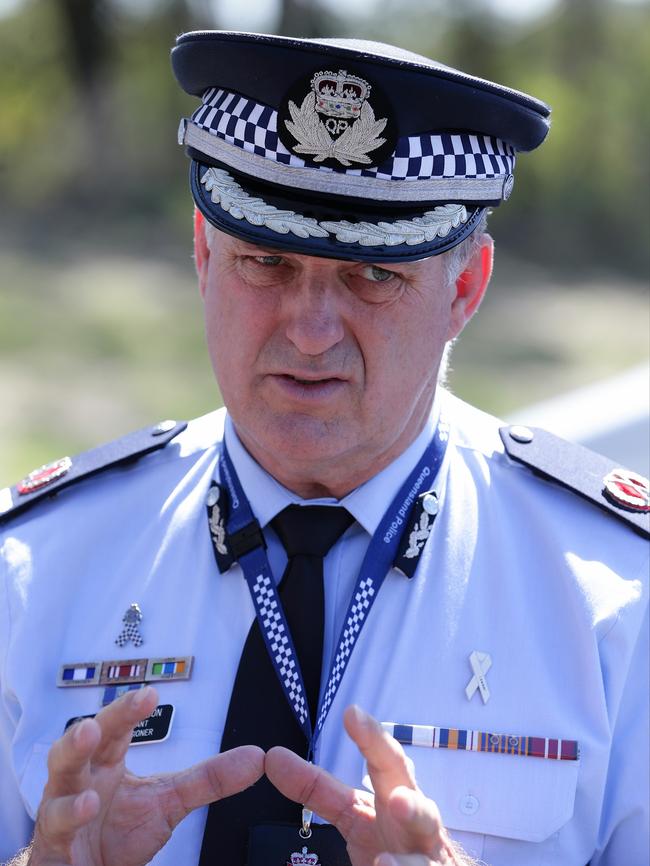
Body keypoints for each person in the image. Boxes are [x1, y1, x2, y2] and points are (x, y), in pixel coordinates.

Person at [1, 30, 648, 866]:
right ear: (203, 254)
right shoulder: (34, 573)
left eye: (373, 277)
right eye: (265, 262)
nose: (309, 333)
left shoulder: (616, 603)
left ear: (464, 288)